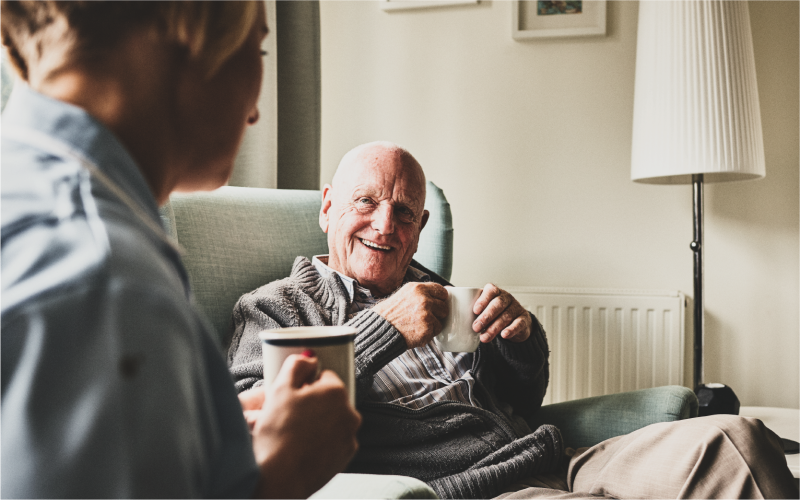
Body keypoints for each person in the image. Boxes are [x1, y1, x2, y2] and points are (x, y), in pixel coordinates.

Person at [228, 141, 799, 500]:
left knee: (736, 440)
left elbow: (521, 404)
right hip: (473, 489)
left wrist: (519, 341)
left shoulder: (441, 295)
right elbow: (257, 424)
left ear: (420, 225)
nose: (385, 224)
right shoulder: (276, 306)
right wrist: (387, 327)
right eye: (366, 203)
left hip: (557, 457)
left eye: (404, 212)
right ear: (328, 205)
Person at [0, 1, 360, 499]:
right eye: (255, 47)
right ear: (179, 34)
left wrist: (184, 426)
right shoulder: (109, 285)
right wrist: (281, 475)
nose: (256, 111)